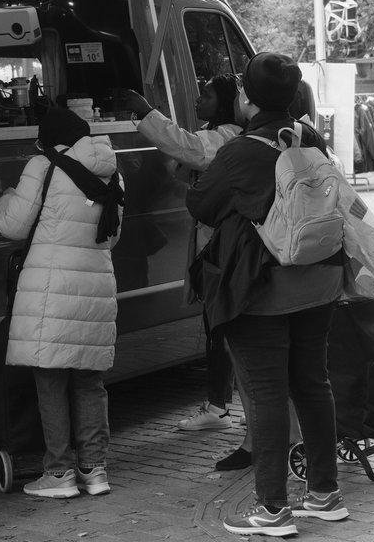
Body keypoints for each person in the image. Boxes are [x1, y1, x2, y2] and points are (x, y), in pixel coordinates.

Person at [188, 52, 349, 536]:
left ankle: (273, 508)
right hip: (320, 281)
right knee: (313, 383)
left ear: (247, 97)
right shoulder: (310, 138)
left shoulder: (239, 152)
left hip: (264, 289)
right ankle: (324, 493)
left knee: (266, 393)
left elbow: (202, 205)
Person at [0, 106, 126, 498]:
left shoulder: (43, 166)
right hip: (96, 288)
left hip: (51, 291)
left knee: (50, 379)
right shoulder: (112, 172)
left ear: (49, 139)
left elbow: (13, 225)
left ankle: (58, 473)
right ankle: (95, 470)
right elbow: (112, 237)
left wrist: (6, 198)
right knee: (89, 380)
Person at [122, 78, 250, 462]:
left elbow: (187, 149)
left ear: (226, 103)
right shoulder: (217, 134)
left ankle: (225, 408)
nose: (197, 99)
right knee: (218, 327)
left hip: (224, 248)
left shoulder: (228, 136)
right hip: (214, 246)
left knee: (225, 328)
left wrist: (146, 112)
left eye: (206, 94)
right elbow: (183, 159)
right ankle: (222, 405)